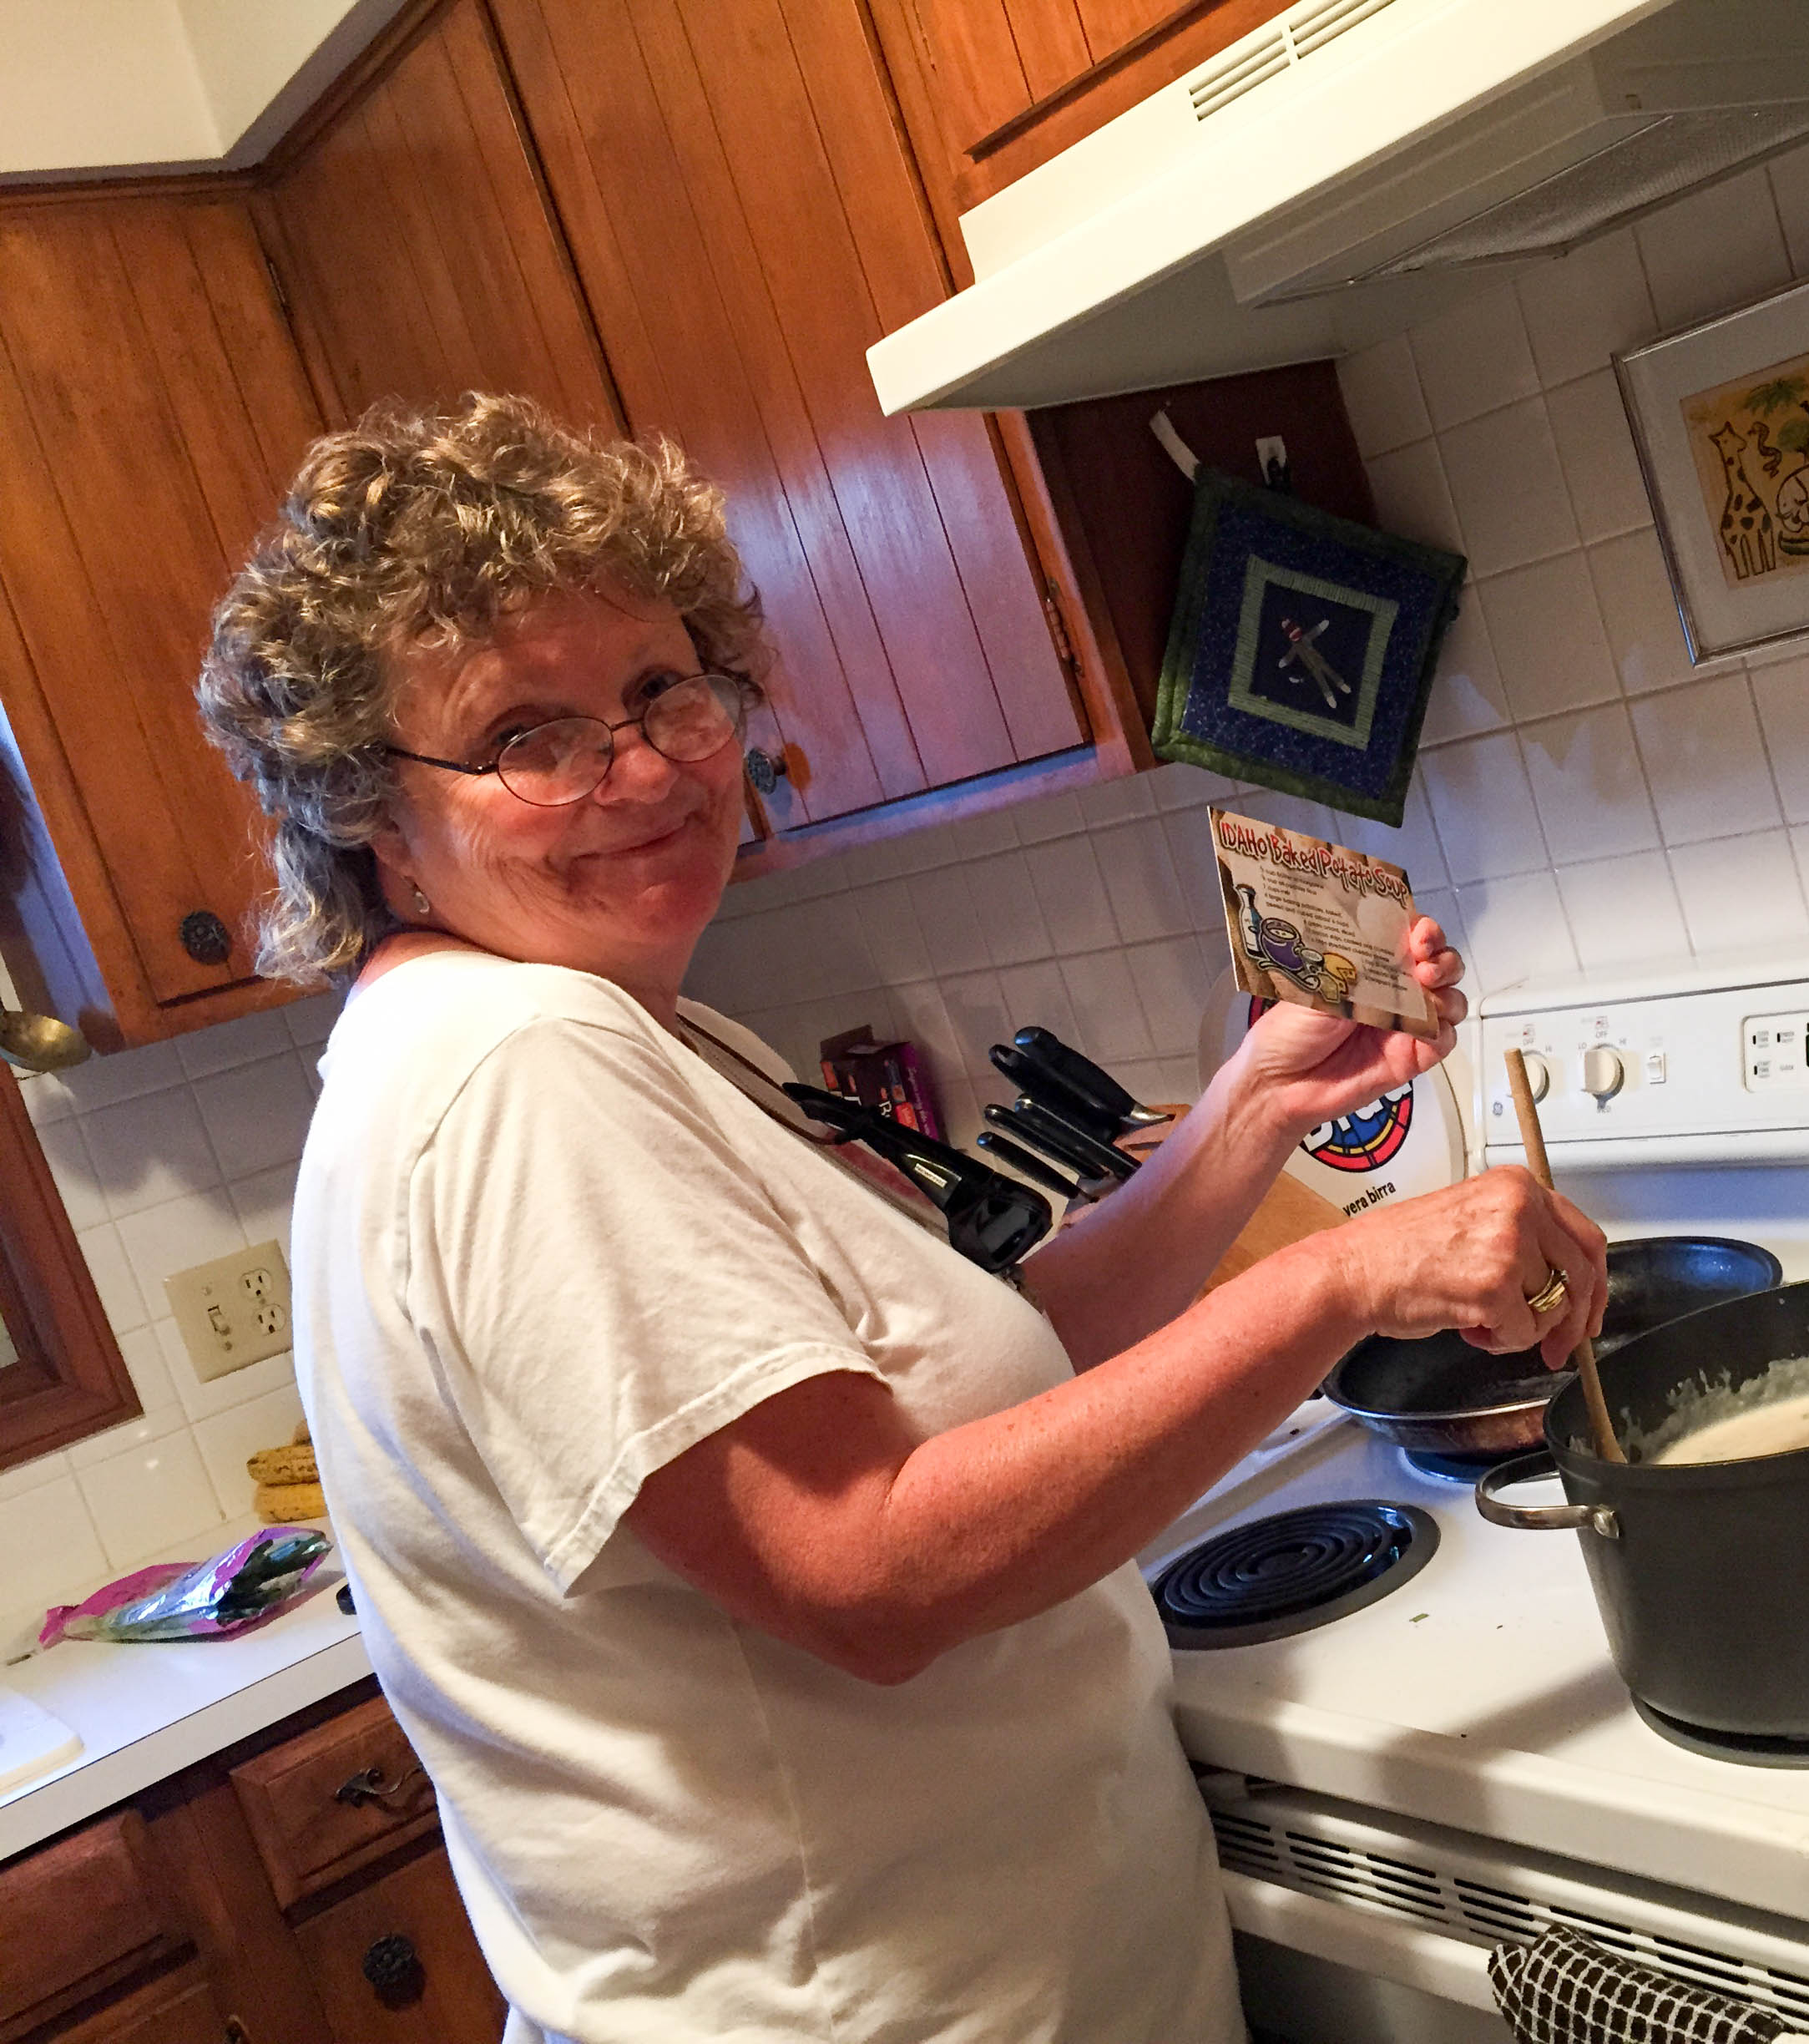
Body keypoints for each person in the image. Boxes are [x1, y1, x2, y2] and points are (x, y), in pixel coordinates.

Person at [197, 394, 1609, 2044]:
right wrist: (1347, 1275)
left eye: (662, 687)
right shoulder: (518, 1072)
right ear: (370, 807)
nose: (640, 766)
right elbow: (868, 1567)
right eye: (528, 733)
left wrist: (1252, 1112)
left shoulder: (593, 1030)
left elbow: (991, 1377)